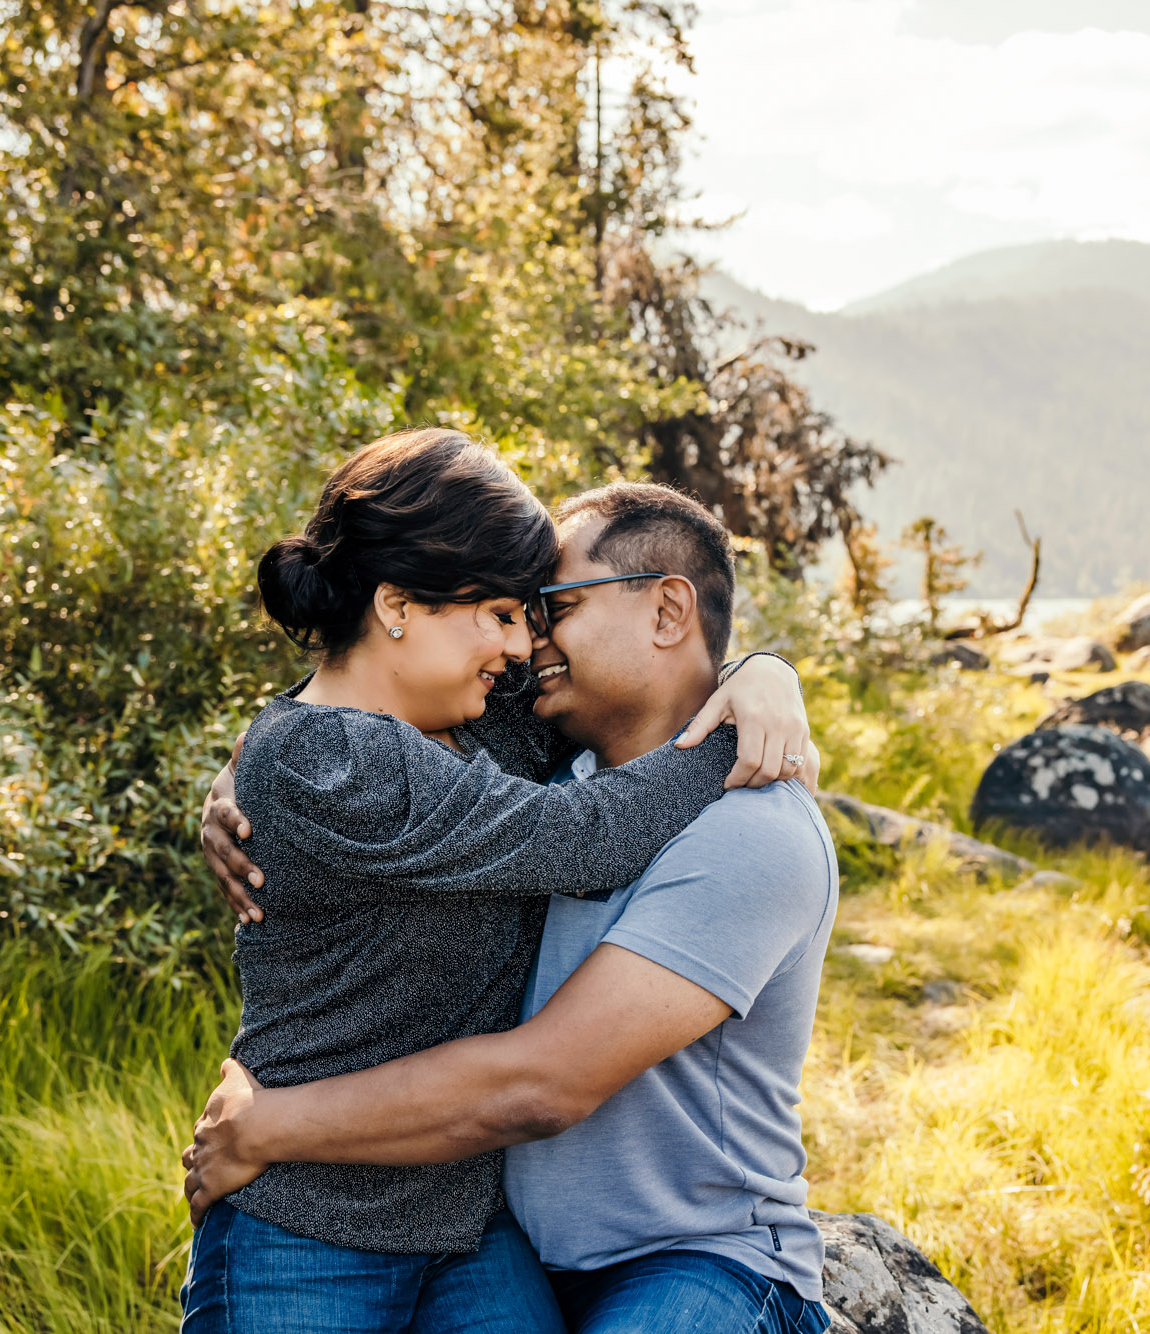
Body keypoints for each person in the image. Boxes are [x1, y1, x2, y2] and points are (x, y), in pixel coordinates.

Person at [180, 433, 815, 1334]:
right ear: (397, 604)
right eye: (507, 613)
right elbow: (586, 835)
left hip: (471, 1228)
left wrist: (758, 676)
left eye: (540, 610)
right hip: (309, 1224)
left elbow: (642, 695)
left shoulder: (492, 728)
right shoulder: (322, 755)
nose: (526, 645)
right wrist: (729, 731)